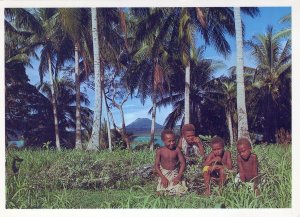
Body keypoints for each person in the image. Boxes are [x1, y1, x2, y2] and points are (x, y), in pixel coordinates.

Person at [155, 129, 188, 196]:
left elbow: (183, 163)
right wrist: (162, 177)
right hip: (164, 173)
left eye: (173, 140)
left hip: (175, 173)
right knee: (161, 192)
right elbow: (156, 165)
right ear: (163, 141)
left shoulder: (177, 150)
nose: (172, 143)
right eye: (169, 141)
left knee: (179, 191)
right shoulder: (160, 151)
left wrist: (179, 176)